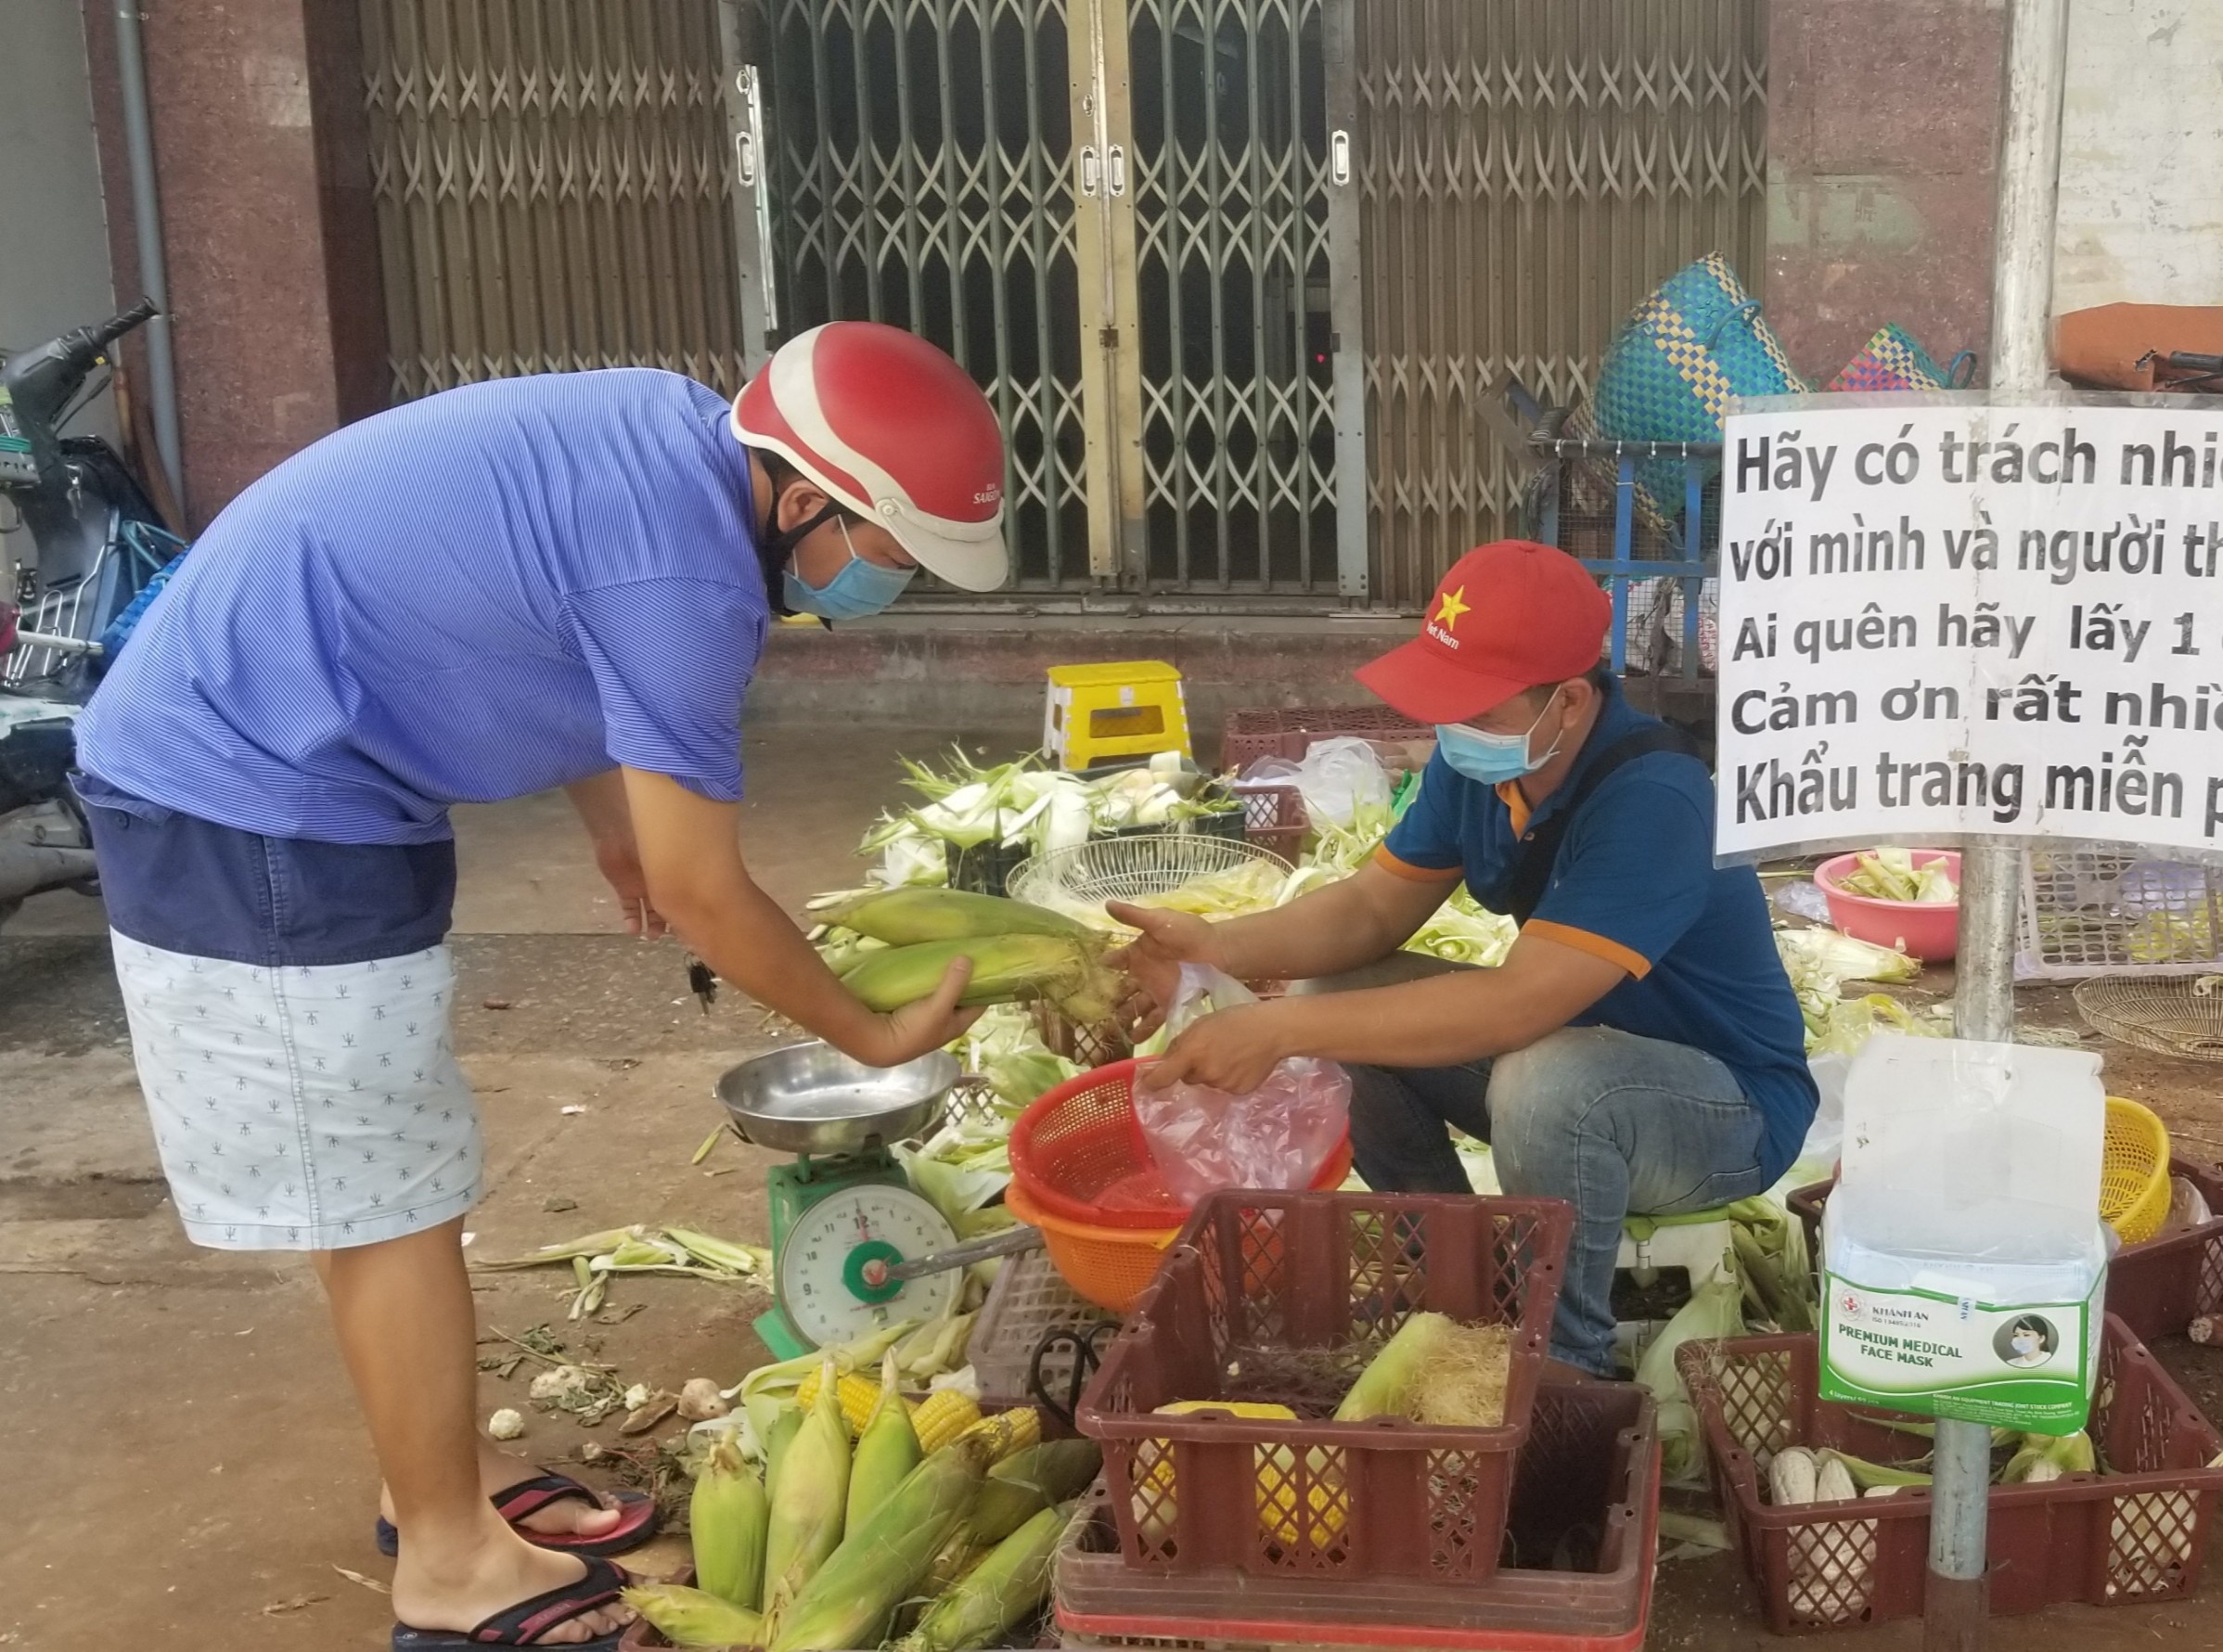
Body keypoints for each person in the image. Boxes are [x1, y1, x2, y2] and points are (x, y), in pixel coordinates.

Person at [70, 322, 1006, 1649]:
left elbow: (538, 610)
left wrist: (609, 815)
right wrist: (870, 1031)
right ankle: (451, 1569)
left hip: (292, 765)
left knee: (385, 1179)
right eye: (890, 553)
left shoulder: (673, 437)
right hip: (252, 792)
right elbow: (706, 890)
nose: (886, 583)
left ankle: (433, 1479)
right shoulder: (691, 578)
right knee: (389, 1201)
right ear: (805, 499)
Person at [1113, 540, 1815, 1377]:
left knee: (1548, 1084)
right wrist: (1216, 944)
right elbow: (1371, 910)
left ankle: (1564, 1370)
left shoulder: (1656, 799)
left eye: (1478, 711)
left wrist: (1277, 1028)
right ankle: (1458, 1278)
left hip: (1721, 1108)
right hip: (1571, 1059)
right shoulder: (1479, 766)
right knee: (1334, 993)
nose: (1453, 732)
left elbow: (1519, 1006)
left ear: (1570, 703)